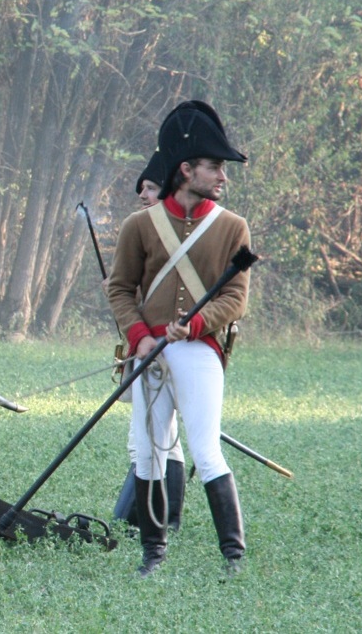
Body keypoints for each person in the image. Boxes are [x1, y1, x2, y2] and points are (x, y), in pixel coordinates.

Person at [106, 101, 251, 577]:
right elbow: (121, 289)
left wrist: (193, 325)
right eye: (214, 167)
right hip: (149, 352)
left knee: (206, 449)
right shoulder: (139, 226)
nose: (222, 177)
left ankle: (233, 556)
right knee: (148, 452)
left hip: (200, 351)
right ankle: (153, 554)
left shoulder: (232, 227)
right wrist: (140, 338)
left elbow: (235, 297)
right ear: (186, 169)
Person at [111, 151, 187, 531]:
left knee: (150, 442)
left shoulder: (184, 235)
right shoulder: (145, 230)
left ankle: (129, 523)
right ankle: (162, 521)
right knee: (162, 439)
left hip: (170, 346)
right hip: (149, 346)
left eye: (152, 188)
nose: (143, 195)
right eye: (141, 188)